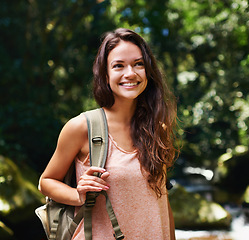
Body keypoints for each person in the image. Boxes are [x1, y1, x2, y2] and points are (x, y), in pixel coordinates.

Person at [39, 28, 178, 240]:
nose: (130, 73)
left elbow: (161, 198)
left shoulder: (157, 128)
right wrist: (78, 195)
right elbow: (46, 182)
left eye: (138, 64)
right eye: (118, 66)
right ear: (105, 75)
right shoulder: (82, 127)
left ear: (148, 71)